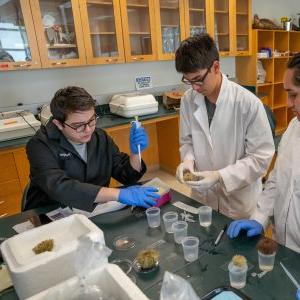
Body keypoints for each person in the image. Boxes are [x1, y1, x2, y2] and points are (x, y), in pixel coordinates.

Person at [175, 34, 275, 219]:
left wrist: (220, 176)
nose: (194, 88)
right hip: (203, 200)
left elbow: (260, 159)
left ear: (216, 67)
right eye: (188, 81)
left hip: (238, 203)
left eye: (198, 79)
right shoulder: (188, 100)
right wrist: (187, 161)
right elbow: (187, 141)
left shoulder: (248, 104)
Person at [25, 86, 159, 211]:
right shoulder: (39, 145)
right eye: (78, 125)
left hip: (93, 212)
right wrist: (118, 193)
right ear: (58, 124)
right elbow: (60, 187)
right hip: (51, 214)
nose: (88, 130)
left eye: (92, 120)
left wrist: (136, 153)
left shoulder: (100, 137)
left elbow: (126, 176)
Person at [227, 54, 300, 256]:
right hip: (283, 248)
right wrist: (258, 218)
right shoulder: (294, 128)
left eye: (293, 94)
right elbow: (277, 180)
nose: (288, 103)